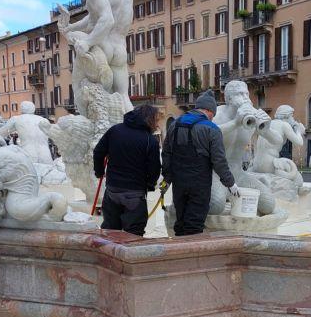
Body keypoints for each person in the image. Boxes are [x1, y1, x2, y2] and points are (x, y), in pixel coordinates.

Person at [162, 90, 238, 236]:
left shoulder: (175, 124)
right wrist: (230, 183)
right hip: (199, 184)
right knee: (194, 225)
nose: (212, 118)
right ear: (209, 110)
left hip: (179, 183)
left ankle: (179, 253)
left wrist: (166, 179)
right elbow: (219, 161)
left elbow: (166, 154)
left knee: (181, 221)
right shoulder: (212, 129)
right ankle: (191, 255)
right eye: (213, 115)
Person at [93, 104, 162, 237]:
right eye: (156, 120)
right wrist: (150, 184)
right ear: (149, 119)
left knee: (110, 232)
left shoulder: (114, 130)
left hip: (113, 190)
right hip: (135, 193)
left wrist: (99, 172)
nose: (157, 123)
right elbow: (154, 168)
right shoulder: (150, 140)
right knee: (134, 236)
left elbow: (98, 152)